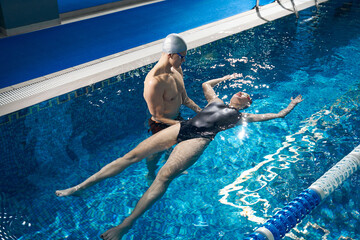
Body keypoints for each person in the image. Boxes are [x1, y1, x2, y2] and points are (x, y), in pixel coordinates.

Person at [55, 76, 303, 240]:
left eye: (247, 95)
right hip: (183, 127)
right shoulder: (215, 101)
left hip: (199, 139)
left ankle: (125, 225)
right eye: (241, 91)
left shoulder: (241, 117)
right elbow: (206, 84)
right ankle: (80, 187)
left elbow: (278, 115)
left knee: (164, 178)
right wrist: (224, 78)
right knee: (131, 155)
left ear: (247, 105)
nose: (243, 92)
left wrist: (290, 106)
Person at [143, 33, 202, 181]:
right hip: (161, 123)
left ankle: (170, 167)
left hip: (176, 117)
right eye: (181, 57)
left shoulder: (176, 70)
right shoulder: (154, 82)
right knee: (156, 153)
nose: (184, 60)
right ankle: (150, 174)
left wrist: (200, 111)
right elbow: (157, 116)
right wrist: (182, 124)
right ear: (170, 55)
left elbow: (184, 99)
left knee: (183, 144)